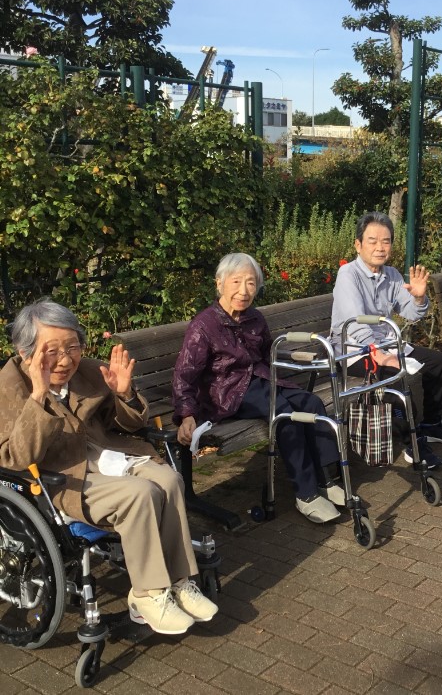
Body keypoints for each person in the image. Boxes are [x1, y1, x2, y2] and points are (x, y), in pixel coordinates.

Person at [0, 300, 217, 636]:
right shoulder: (9, 387)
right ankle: (148, 594)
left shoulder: (87, 371)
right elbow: (14, 457)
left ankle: (179, 581)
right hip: (58, 479)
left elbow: (129, 425)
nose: (65, 358)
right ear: (25, 351)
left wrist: (125, 395)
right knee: (141, 493)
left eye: (73, 346)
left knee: (169, 480)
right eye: (52, 349)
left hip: (107, 458)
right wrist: (39, 395)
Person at [172, 252, 343, 524]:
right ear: (220, 283)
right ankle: (306, 493)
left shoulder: (255, 319)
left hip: (261, 382)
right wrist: (186, 414)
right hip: (226, 394)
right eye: (236, 282)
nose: (243, 290)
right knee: (283, 413)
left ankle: (325, 478)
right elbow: (185, 375)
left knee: (312, 404)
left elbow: (266, 356)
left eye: (251, 283)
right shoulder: (203, 326)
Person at [330, 212, 442, 470]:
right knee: (395, 373)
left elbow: (412, 313)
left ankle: (432, 425)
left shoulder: (391, 274)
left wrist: (418, 297)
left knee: (436, 362)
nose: (380, 247)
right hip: (353, 352)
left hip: (385, 344)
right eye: (372, 241)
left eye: (386, 241)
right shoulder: (347, 275)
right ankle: (412, 443)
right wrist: (379, 354)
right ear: (358, 245)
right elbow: (355, 322)